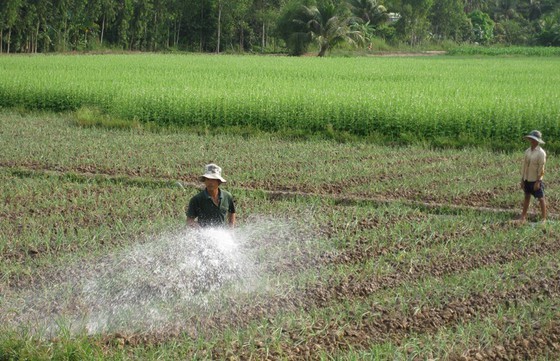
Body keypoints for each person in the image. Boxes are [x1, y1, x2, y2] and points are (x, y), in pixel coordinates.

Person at [186, 163, 236, 228]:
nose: (210, 182)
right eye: (208, 179)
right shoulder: (197, 199)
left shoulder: (227, 196)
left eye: (213, 179)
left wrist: (231, 227)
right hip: (203, 236)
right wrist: (201, 230)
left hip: (221, 235)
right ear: (204, 181)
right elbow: (189, 221)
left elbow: (232, 212)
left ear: (219, 182)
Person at [519, 130, 546, 223]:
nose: (531, 140)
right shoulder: (527, 151)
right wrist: (522, 179)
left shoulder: (541, 153)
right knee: (526, 197)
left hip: (535, 179)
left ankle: (543, 219)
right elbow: (524, 166)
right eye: (530, 139)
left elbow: (541, 168)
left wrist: (538, 181)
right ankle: (523, 217)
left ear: (537, 141)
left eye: (532, 139)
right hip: (527, 178)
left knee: (541, 198)